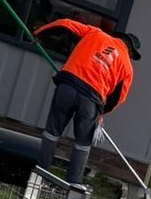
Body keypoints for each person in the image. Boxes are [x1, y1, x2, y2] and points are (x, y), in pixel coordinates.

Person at [35, 19, 141, 187]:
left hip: (67, 87)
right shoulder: (127, 67)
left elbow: (65, 24)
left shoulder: (95, 33)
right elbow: (118, 98)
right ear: (130, 51)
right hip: (91, 101)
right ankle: (73, 184)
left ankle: (40, 172)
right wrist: (101, 112)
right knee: (82, 143)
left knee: (52, 132)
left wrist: (40, 34)